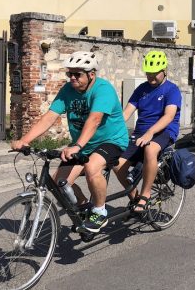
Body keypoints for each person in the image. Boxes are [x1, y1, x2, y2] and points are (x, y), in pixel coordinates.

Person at [11, 51, 129, 233]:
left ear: (91, 75)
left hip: (110, 140)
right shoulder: (67, 90)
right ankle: (84, 207)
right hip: (84, 144)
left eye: (77, 74)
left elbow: (95, 119)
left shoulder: (103, 89)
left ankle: (99, 211)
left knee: (92, 167)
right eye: (69, 74)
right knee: (60, 182)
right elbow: (49, 117)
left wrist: (77, 146)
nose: (72, 78)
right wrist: (24, 140)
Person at [114, 50, 182, 217]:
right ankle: (135, 197)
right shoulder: (141, 89)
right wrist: (110, 128)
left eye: (154, 74)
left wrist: (150, 133)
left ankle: (145, 194)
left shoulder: (172, 90)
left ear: (164, 71)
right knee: (116, 163)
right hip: (140, 133)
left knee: (150, 149)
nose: (151, 77)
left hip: (164, 131)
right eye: (148, 74)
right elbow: (126, 113)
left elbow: (169, 116)